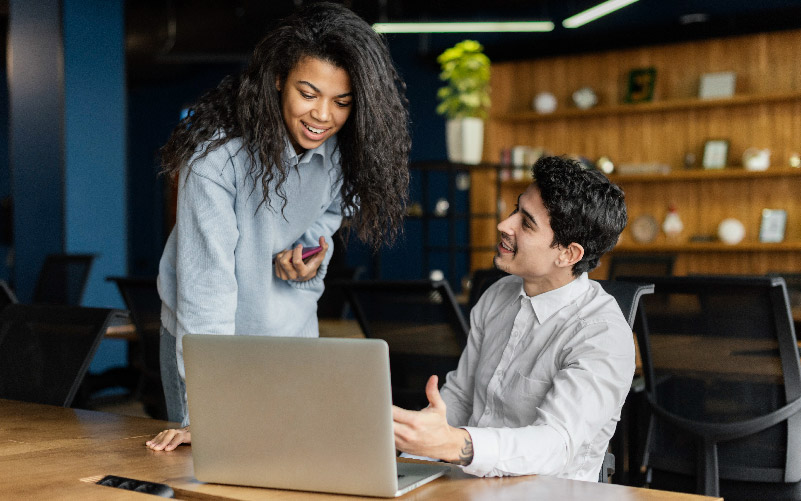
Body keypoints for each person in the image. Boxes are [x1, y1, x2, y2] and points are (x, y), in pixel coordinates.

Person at [147, 2, 410, 451]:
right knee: (215, 467)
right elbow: (204, 294)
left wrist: (310, 253)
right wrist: (205, 411)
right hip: (212, 344)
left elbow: (329, 213)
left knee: (293, 464)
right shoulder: (217, 161)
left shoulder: (342, 152)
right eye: (308, 93)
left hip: (290, 338)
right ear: (276, 83)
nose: (323, 116)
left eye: (342, 102)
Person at [392, 155, 631, 481]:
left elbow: (555, 444)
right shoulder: (498, 295)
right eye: (515, 210)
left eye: (526, 223)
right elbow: (460, 398)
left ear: (568, 254)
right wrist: (411, 450)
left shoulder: (601, 334)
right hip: (467, 486)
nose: (505, 225)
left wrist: (455, 444)